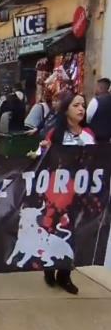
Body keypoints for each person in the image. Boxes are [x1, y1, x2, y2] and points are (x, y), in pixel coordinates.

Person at [35, 92, 93, 295]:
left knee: (73, 233)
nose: (81, 109)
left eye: (83, 105)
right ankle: (49, 270)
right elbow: (45, 160)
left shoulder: (88, 135)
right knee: (53, 230)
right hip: (57, 192)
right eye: (76, 105)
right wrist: (42, 150)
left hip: (80, 193)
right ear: (66, 109)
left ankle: (65, 274)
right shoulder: (55, 134)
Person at [87, 78, 111, 143]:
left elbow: (88, 118)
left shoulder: (95, 101)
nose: (95, 89)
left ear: (100, 88)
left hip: (95, 137)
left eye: (96, 87)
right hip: (108, 138)